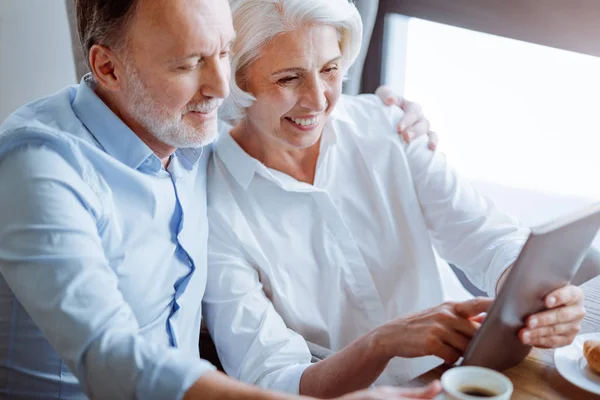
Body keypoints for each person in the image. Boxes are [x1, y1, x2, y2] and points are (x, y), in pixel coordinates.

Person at [0, 0, 439, 399]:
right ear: (109, 68)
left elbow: (283, 103)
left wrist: (389, 114)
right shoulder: (39, 168)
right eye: (189, 63)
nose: (221, 86)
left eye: (224, 52)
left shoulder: (190, 126)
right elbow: (111, 357)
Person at [203, 0, 586, 396]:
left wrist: (543, 299)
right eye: (288, 79)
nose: (318, 100)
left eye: (330, 69)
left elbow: (488, 238)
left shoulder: (388, 126)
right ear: (237, 78)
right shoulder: (214, 209)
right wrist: (381, 344)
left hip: (469, 373)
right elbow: (272, 382)